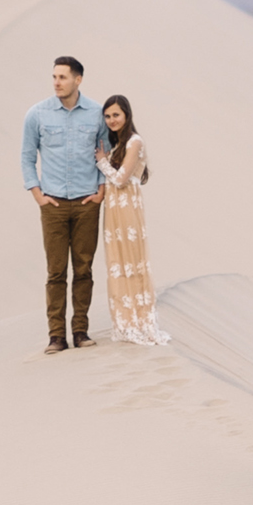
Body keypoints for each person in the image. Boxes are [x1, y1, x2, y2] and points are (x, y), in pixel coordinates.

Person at [20, 52, 103, 351]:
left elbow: (104, 153)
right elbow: (27, 158)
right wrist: (37, 194)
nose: (56, 82)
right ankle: (57, 336)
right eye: (54, 76)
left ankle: (80, 331)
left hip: (86, 204)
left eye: (63, 77)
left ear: (77, 80)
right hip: (53, 205)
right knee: (56, 272)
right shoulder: (37, 114)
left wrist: (101, 191)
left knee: (84, 269)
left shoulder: (96, 113)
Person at [95, 94, 169, 346]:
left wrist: (102, 162)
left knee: (131, 260)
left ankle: (139, 320)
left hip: (127, 206)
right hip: (114, 208)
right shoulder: (118, 144)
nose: (112, 120)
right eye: (107, 116)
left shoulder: (134, 141)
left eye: (116, 114)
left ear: (126, 115)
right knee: (118, 261)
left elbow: (120, 179)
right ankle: (124, 321)